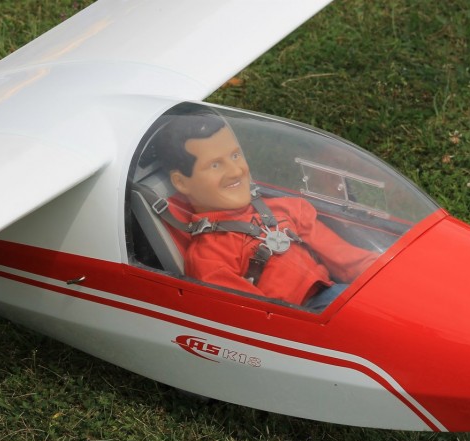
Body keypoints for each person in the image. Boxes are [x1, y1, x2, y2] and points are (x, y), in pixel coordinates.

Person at [156, 105, 378, 309]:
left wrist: (382, 274)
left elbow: (347, 259)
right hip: (305, 318)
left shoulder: (287, 208)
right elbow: (255, 317)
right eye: (215, 165)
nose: (236, 171)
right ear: (181, 183)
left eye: (235, 155)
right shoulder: (209, 257)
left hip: (337, 294)